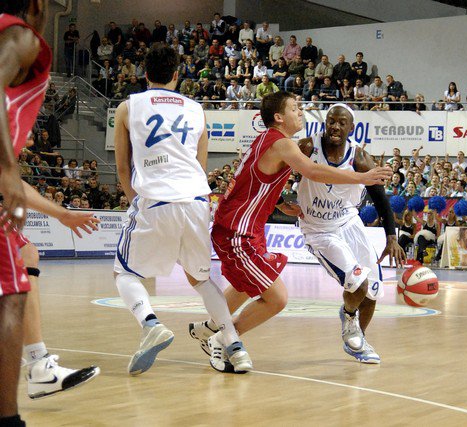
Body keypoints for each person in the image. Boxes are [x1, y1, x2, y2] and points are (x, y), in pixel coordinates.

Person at [187, 92, 391, 369]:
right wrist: (361, 177)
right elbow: (314, 172)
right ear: (279, 117)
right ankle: (224, 339)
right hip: (237, 230)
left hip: (248, 227)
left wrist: (281, 203)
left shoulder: (270, 141)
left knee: (247, 286)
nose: (301, 112)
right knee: (277, 298)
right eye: (295, 108)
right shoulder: (283, 144)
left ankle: (211, 327)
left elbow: (257, 178)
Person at [112, 45, 252, 375]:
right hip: (196, 201)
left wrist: (136, 200)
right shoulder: (197, 109)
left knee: (125, 273)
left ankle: (150, 324)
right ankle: (235, 345)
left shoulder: (127, 107)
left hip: (156, 198)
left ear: (145, 74)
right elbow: (201, 168)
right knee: (201, 279)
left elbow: (122, 167)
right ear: (177, 74)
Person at [1, 1, 100, 422]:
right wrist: (9, 167)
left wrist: (60, 214)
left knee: (25, 253)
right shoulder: (20, 36)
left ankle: (39, 366)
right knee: (11, 295)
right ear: (37, 6)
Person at [280, 104, 405, 363]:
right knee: (358, 281)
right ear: (325, 123)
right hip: (318, 229)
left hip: (349, 222)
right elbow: (274, 174)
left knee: (372, 289)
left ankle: (359, 339)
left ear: (351, 127)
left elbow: (380, 198)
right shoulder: (307, 147)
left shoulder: (360, 158)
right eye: (331, 121)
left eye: (341, 122)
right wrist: (280, 202)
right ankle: (348, 316)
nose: (335, 126)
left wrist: (391, 237)